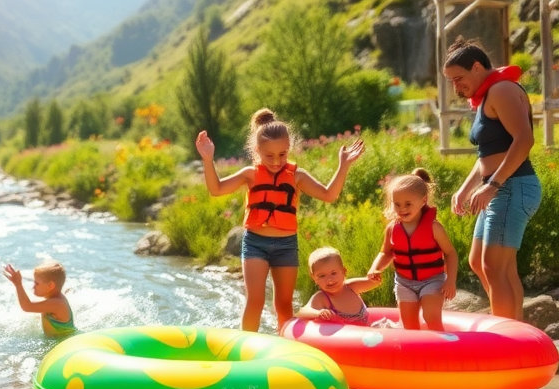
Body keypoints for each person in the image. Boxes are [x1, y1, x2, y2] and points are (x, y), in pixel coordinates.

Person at [195, 108, 365, 331]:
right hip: (255, 243)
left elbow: (329, 195)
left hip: (286, 245)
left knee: (283, 304)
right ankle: (247, 349)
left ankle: (285, 349)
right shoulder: (251, 174)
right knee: (254, 301)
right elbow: (216, 189)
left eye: (282, 154)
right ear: (257, 151)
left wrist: (343, 166)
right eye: (269, 156)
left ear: (289, 149)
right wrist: (208, 159)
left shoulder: (297, 176)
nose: (276, 161)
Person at [445, 40, 541, 319]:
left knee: (494, 267)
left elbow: (524, 141)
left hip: (511, 186)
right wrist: (465, 189)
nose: (456, 87)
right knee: (480, 262)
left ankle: (507, 340)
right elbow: (488, 154)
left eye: (459, 79)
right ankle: (514, 329)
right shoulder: (487, 96)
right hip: (499, 188)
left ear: (477, 67)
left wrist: (493, 185)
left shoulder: (502, 90)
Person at [369, 168, 458, 330]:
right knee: (409, 326)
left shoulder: (434, 227)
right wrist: (375, 268)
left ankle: (441, 352)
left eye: (408, 204)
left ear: (423, 200)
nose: (402, 209)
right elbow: (385, 253)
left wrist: (450, 280)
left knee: (431, 317)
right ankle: (417, 355)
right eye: (397, 204)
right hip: (404, 283)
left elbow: (450, 253)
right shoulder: (392, 228)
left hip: (432, 280)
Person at [297, 246, 381, 325]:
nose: (329, 280)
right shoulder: (322, 298)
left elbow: (372, 283)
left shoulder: (351, 287)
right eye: (322, 276)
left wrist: (375, 278)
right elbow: (301, 312)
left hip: (366, 335)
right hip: (343, 339)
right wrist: (318, 313)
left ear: (344, 271)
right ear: (314, 278)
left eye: (333, 273)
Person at [2, 260, 76, 337]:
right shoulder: (54, 299)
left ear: (50, 286)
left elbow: (27, 306)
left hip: (65, 340)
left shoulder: (57, 304)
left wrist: (18, 284)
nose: (33, 286)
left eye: (36, 283)